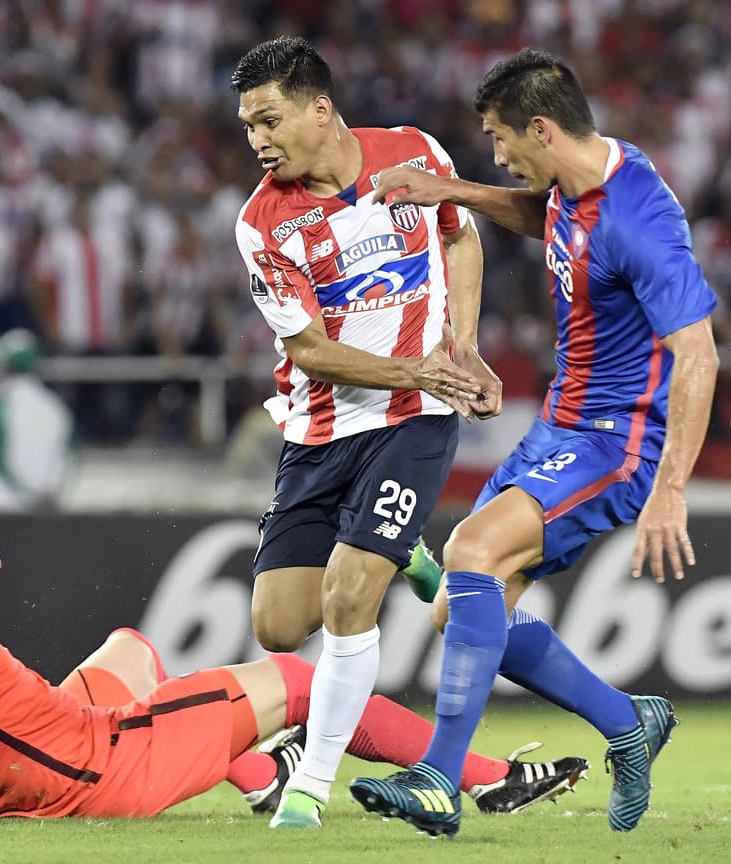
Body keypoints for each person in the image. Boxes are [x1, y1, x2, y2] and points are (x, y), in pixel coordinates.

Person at [0, 480, 590, 828]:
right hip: (101, 767)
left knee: (131, 645)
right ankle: (482, 775)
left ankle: (256, 776)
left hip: (42, 746)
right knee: (306, 679)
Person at [350, 47, 720, 837]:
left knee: (472, 553)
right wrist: (452, 191)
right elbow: (542, 216)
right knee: (461, 614)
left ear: (541, 129)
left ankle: (438, 780)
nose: (497, 153)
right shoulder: (576, 182)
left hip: (615, 442)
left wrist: (672, 489)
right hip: (562, 425)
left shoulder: (641, 219)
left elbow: (699, 352)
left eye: (499, 138)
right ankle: (628, 721)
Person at [229, 36, 501, 828]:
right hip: (320, 428)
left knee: (350, 596)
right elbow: (309, 350)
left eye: (269, 120)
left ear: (321, 108)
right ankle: (404, 550)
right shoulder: (260, 223)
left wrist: (463, 345)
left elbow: (457, 233)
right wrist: (423, 368)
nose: (258, 142)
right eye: (248, 127)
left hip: (415, 418)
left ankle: (308, 788)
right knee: (278, 624)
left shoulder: (412, 153)